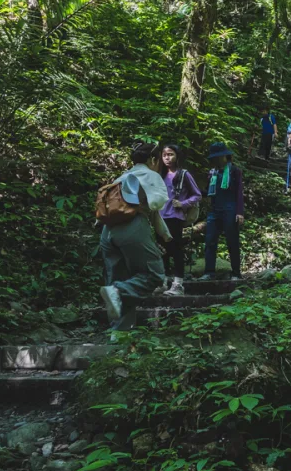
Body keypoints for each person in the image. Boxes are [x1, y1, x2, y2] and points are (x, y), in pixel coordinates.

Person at [99, 142, 171, 333]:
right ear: (152, 159)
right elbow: (156, 204)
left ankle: (119, 333)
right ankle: (118, 292)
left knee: (120, 278)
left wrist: (164, 234)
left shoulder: (122, 177)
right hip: (132, 227)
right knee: (153, 274)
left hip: (108, 232)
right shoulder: (151, 175)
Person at [159, 144, 203, 295]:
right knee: (162, 250)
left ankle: (178, 284)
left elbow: (197, 195)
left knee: (175, 249)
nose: (167, 158)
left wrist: (183, 203)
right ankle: (163, 282)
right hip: (160, 216)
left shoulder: (183, 174)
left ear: (177, 156)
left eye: (170, 154)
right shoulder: (160, 174)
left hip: (175, 217)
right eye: (164, 155)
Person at [200, 142, 245, 280]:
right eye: (215, 157)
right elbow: (207, 192)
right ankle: (209, 272)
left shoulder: (234, 171)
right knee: (210, 240)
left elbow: (239, 192)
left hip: (230, 208)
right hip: (214, 209)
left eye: (220, 157)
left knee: (232, 241)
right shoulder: (213, 172)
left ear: (226, 156)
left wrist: (240, 212)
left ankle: (236, 273)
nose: (217, 159)